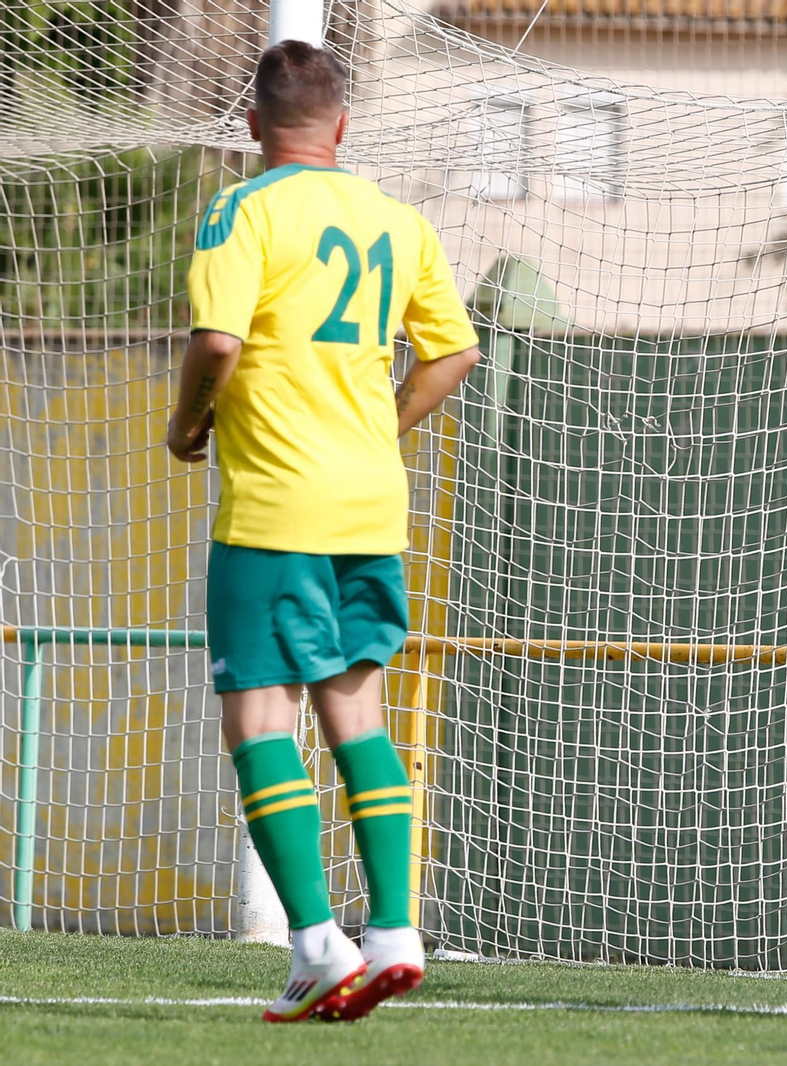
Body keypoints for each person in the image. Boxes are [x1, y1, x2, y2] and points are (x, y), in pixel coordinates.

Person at [166, 41, 480, 1024]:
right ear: (342, 125)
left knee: (261, 720)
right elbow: (454, 352)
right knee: (358, 718)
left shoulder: (243, 210)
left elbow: (219, 340)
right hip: (370, 508)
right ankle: (393, 929)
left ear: (252, 124)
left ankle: (314, 944)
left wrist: (184, 424)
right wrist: (381, 427)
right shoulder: (397, 219)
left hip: (275, 508)